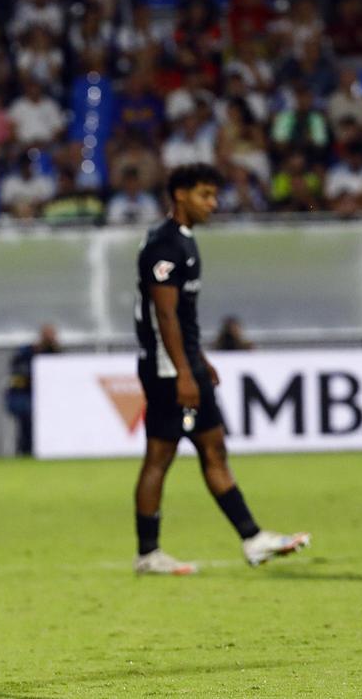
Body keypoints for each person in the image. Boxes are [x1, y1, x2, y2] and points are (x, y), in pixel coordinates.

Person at [132, 163, 309, 575]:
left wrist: (198, 358)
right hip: (169, 370)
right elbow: (164, 315)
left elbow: (181, 316)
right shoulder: (166, 246)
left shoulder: (181, 240)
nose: (213, 203)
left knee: (205, 449)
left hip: (181, 363)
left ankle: (249, 538)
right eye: (204, 195)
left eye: (213, 195)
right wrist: (184, 372)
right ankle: (153, 552)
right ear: (180, 195)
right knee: (164, 456)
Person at [5, 324, 61, 455]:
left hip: (46, 397)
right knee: (28, 415)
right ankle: (26, 449)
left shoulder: (55, 353)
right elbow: (17, 373)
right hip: (23, 395)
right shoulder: (27, 352)